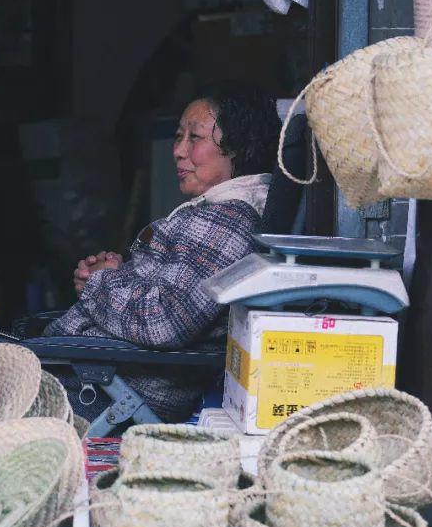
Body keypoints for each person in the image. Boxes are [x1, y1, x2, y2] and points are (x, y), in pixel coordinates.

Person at [45, 83, 282, 421]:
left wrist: (100, 284)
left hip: (112, 386)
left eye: (195, 138)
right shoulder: (215, 213)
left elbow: (165, 322)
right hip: (100, 373)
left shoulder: (226, 222)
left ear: (238, 148)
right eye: (178, 136)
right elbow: (175, 292)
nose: (179, 151)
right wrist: (119, 274)